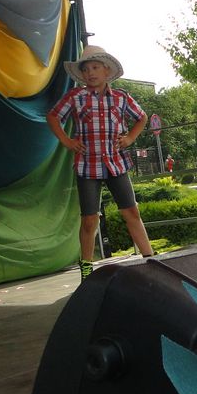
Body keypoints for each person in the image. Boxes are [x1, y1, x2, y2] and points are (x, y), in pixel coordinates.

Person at [47, 46, 154, 279]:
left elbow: (142, 117)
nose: (90, 73)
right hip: (87, 165)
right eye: (85, 70)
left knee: (131, 212)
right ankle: (86, 270)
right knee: (89, 219)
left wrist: (130, 138)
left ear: (107, 71)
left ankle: (151, 261)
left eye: (95, 68)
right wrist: (67, 140)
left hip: (116, 163)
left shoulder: (121, 97)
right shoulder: (76, 97)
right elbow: (53, 116)